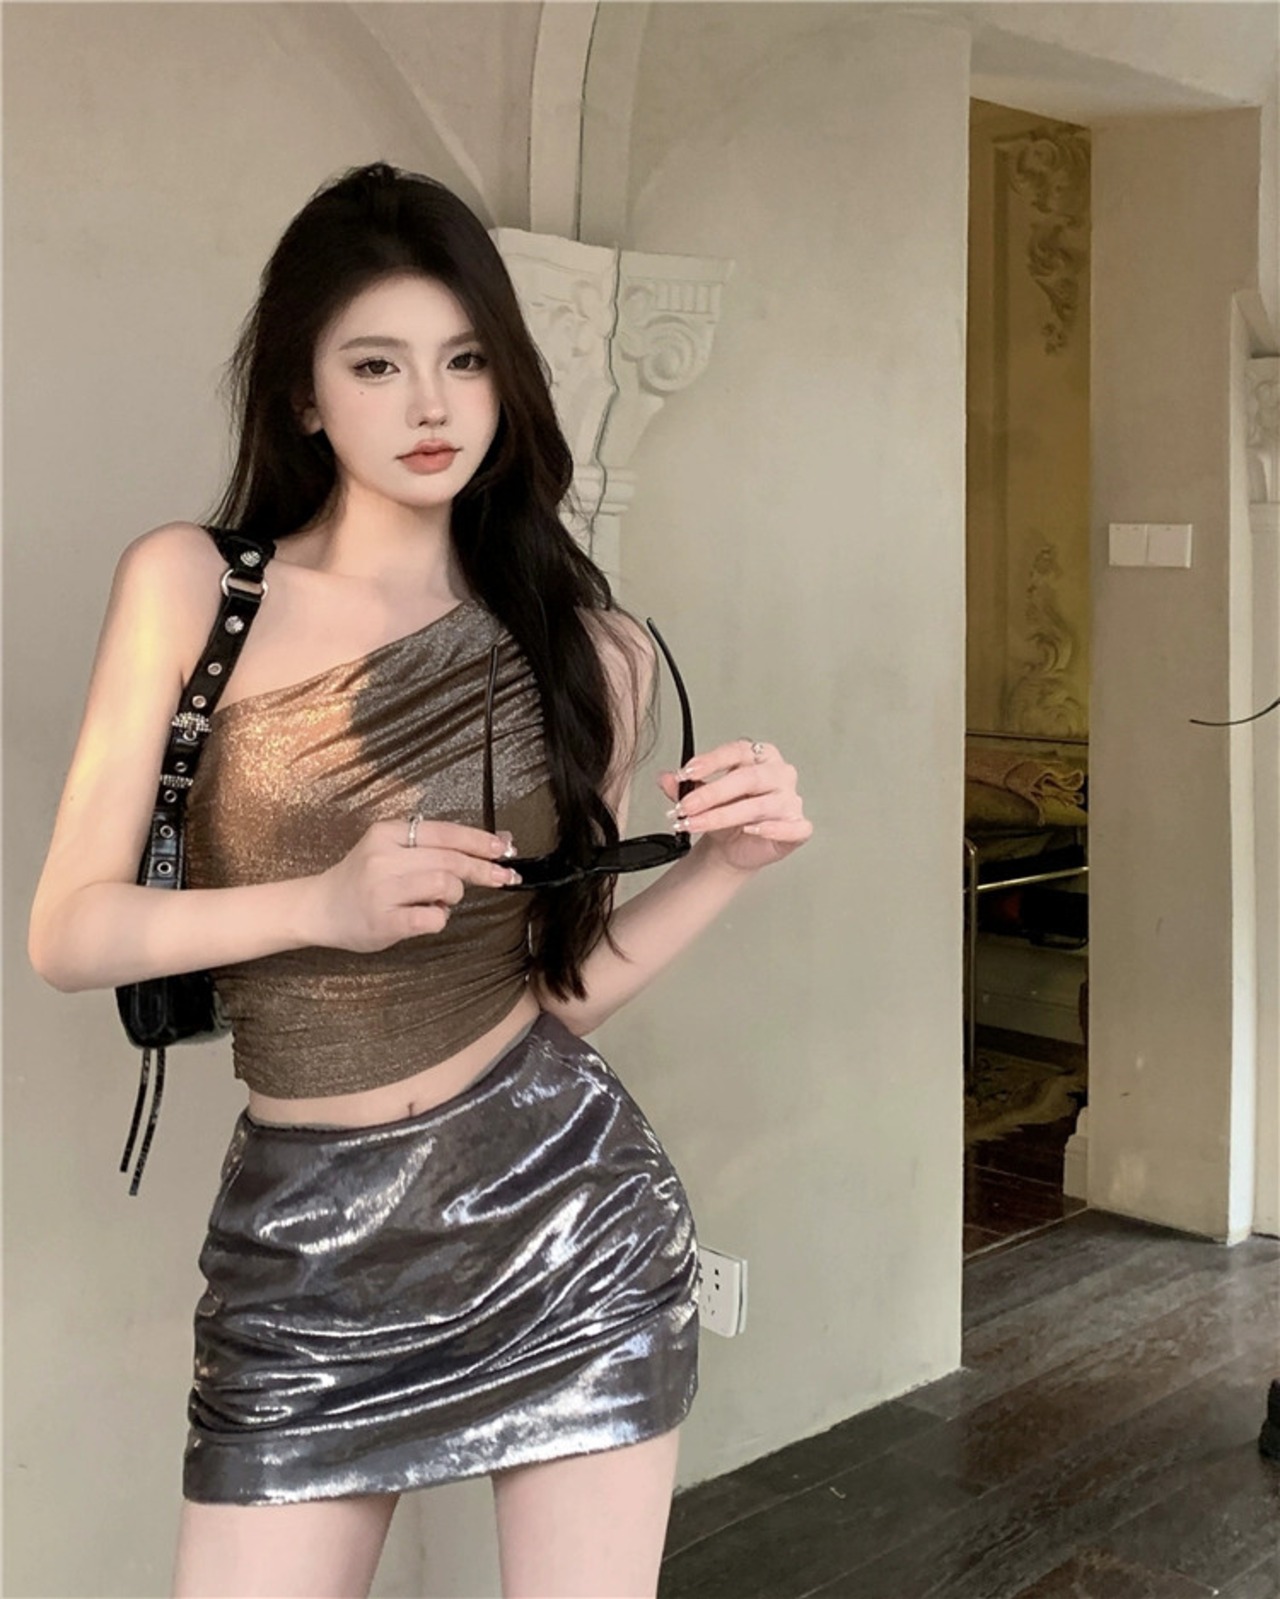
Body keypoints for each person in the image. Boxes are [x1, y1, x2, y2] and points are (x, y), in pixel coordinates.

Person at [28, 162, 812, 1599]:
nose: (431, 405)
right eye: (377, 365)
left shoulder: (591, 652)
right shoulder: (194, 589)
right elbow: (68, 933)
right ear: (304, 396)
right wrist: (317, 907)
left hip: (563, 1214)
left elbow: (560, 992)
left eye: (466, 360)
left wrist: (724, 868)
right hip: (301, 1249)